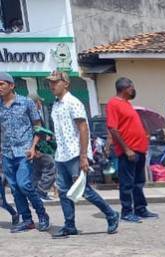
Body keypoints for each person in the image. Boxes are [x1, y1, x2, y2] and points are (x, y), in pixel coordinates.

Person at [46, 70, 119, 237]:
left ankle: (111, 214)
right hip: (61, 154)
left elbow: (83, 128)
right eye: (50, 83)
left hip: (75, 153)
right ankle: (69, 224)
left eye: (55, 82)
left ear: (65, 83)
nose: (52, 85)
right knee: (64, 191)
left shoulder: (74, 102)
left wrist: (84, 156)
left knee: (84, 190)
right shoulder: (56, 105)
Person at [0, 72, 50, 233]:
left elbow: (38, 127)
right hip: (7, 153)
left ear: (11, 85)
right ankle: (27, 220)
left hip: (24, 151)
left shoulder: (26, 102)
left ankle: (42, 215)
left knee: (24, 185)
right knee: (14, 188)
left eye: (2, 84)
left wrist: (33, 147)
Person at [106, 77, 157, 223]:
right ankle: (127, 211)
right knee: (127, 183)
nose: (134, 90)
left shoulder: (128, 104)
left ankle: (140, 208)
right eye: (132, 87)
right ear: (125, 88)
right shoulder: (113, 103)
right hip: (129, 150)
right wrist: (127, 149)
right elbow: (113, 128)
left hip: (139, 149)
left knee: (138, 182)